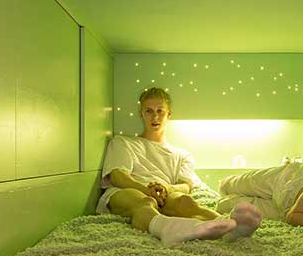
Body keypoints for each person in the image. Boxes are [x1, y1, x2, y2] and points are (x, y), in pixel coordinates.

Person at [98, 87, 262, 244]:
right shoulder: (123, 142)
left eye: (160, 111)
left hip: (164, 193)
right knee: (145, 201)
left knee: (185, 202)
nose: (155, 116)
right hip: (128, 191)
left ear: (168, 114)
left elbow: (186, 185)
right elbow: (118, 176)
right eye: (149, 111)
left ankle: (232, 227)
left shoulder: (182, 154)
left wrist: (167, 189)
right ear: (142, 113)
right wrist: (146, 190)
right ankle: (165, 229)